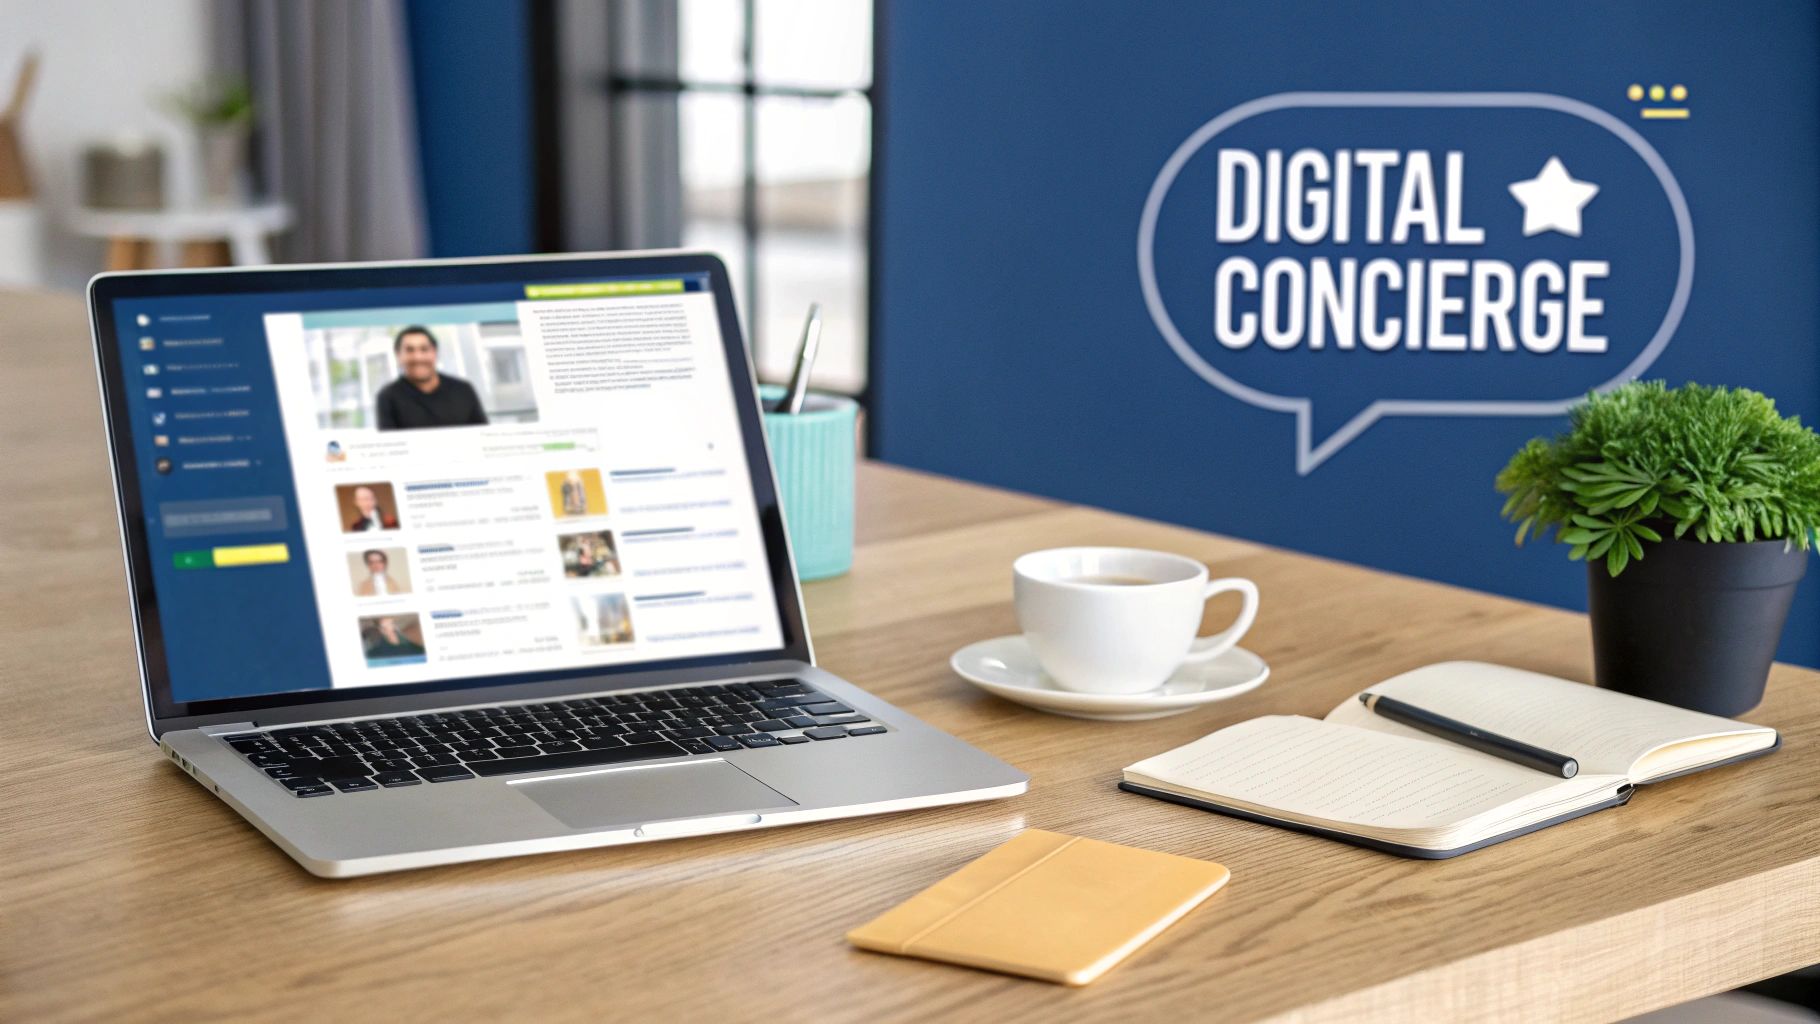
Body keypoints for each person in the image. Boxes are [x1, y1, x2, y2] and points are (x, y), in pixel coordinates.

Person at [374, 325, 489, 430]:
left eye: (424, 349)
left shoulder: (464, 390)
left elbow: (483, 436)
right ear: (398, 356)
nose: (418, 357)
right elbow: (391, 447)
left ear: (434, 352)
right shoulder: (387, 397)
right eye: (409, 350)